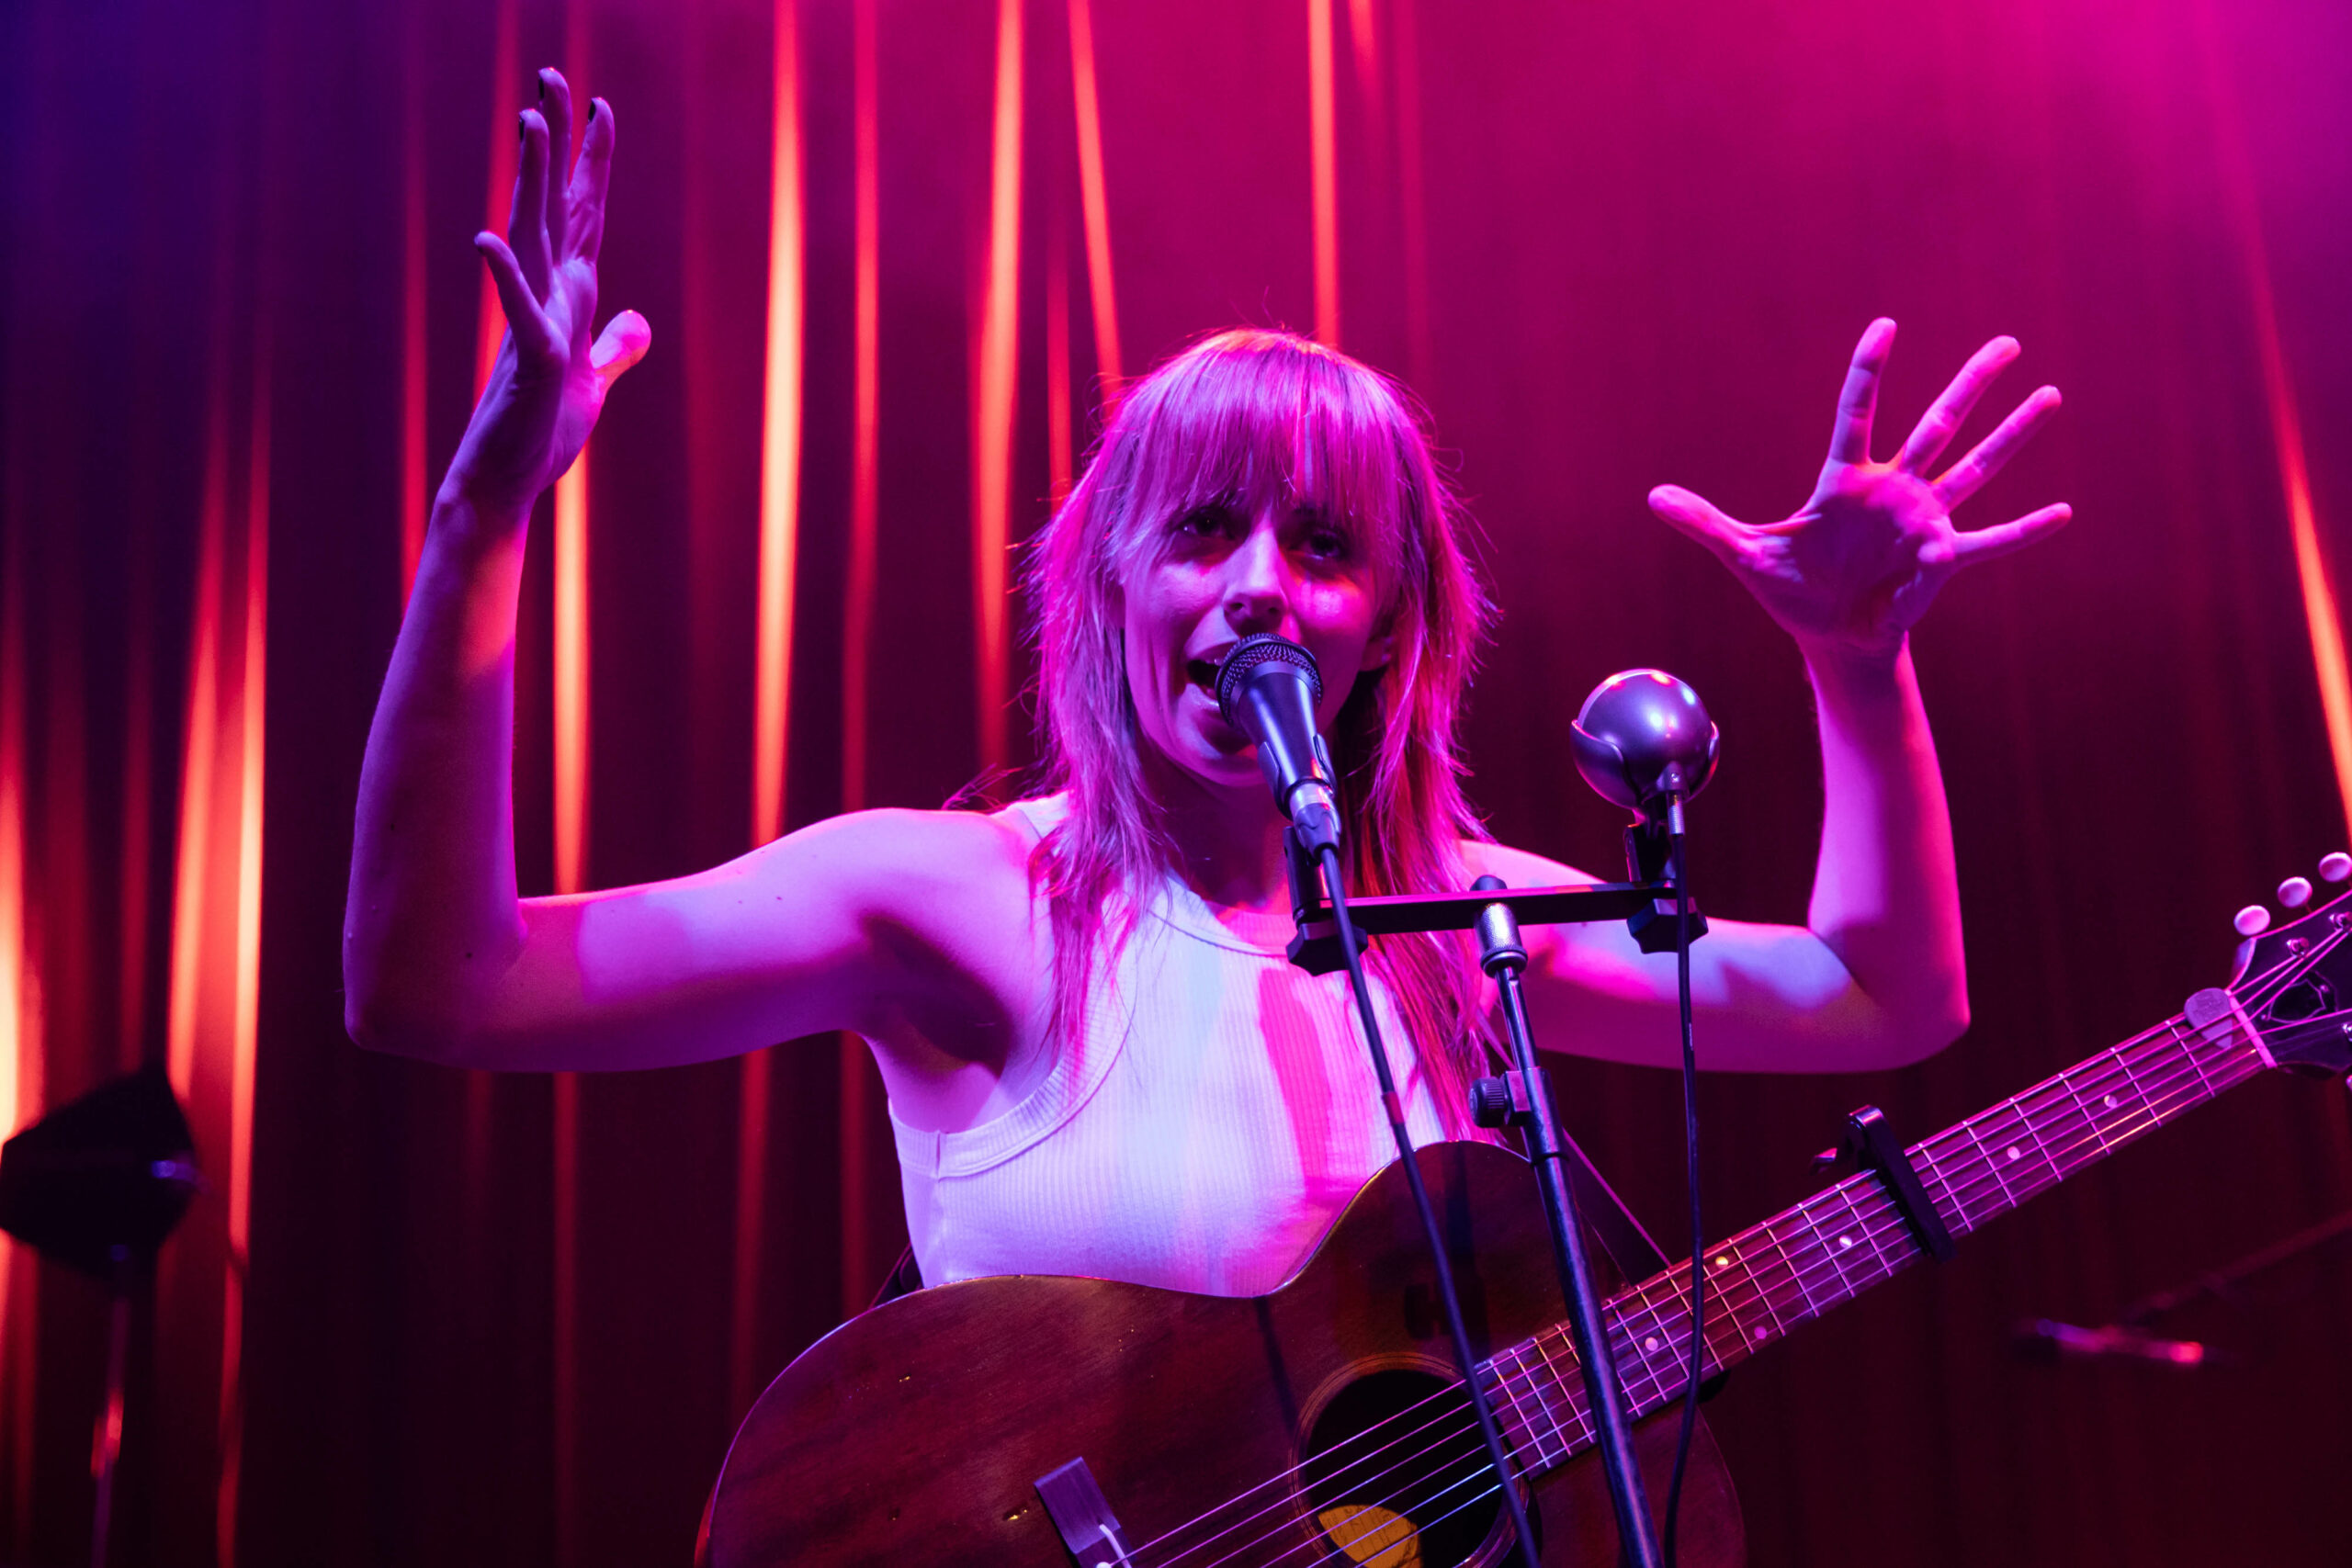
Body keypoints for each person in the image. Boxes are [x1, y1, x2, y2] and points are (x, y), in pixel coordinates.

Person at [344, 71, 2070, 1299]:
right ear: (1109, 581)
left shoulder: (1452, 926)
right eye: (1205, 531)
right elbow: (448, 984)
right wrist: (481, 516)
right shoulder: (957, 897)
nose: (1258, 584)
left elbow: (1877, 1001)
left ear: (1387, 623)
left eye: (1320, 545)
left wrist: (1857, 667)